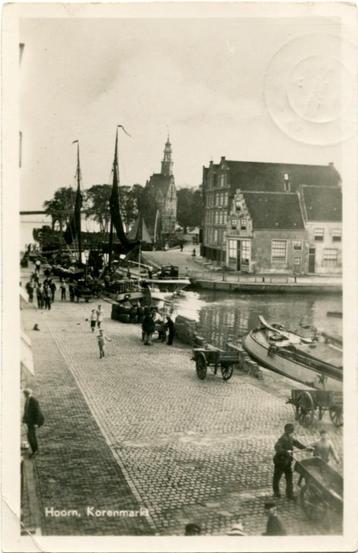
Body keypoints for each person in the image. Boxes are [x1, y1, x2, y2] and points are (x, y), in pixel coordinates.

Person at [273, 423, 312, 500]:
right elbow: (277, 447)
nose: (293, 433)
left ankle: (290, 494)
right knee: (277, 477)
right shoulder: (282, 439)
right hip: (280, 462)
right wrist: (285, 451)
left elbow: (297, 443)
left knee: (289, 478)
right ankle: (276, 492)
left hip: (287, 462)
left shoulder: (290, 438)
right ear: (288, 432)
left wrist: (306, 448)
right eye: (292, 432)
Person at [22, 388, 44, 458]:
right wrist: (24, 420)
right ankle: (35, 450)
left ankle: (35, 450)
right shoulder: (28, 400)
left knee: (31, 436)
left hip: (33, 422)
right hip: (29, 422)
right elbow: (26, 411)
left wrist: (36, 423)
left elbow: (38, 413)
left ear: (27, 394)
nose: (24, 395)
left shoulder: (34, 401)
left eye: (24, 394)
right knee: (30, 436)